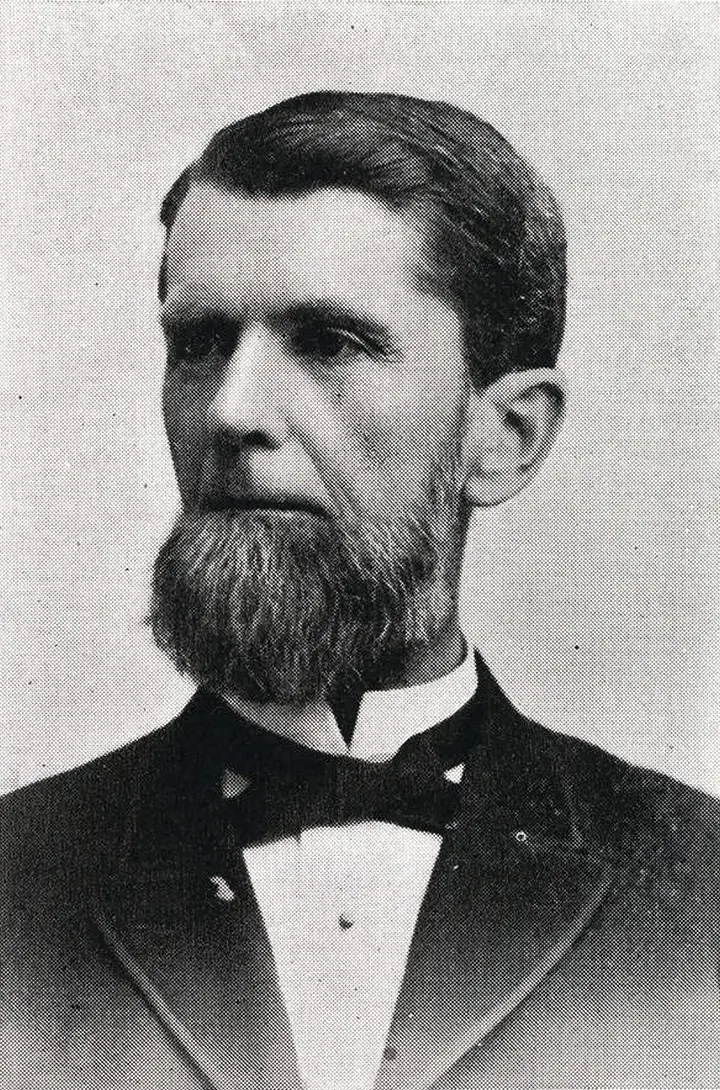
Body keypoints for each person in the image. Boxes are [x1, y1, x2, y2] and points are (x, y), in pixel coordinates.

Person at [1, 91, 718, 1090]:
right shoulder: (14, 879)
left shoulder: (699, 891)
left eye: (329, 342)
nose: (233, 410)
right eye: (199, 343)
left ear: (505, 436)